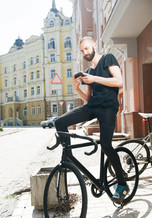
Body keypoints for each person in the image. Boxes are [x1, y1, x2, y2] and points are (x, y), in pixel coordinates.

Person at [55, 36, 129, 203]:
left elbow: (119, 81)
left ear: (94, 45)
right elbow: (88, 99)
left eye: (87, 48)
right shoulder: (88, 72)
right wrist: (77, 89)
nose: (85, 53)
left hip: (108, 108)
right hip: (92, 107)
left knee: (105, 145)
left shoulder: (107, 58)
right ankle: (69, 158)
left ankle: (122, 184)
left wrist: (95, 79)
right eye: (82, 51)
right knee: (59, 122)